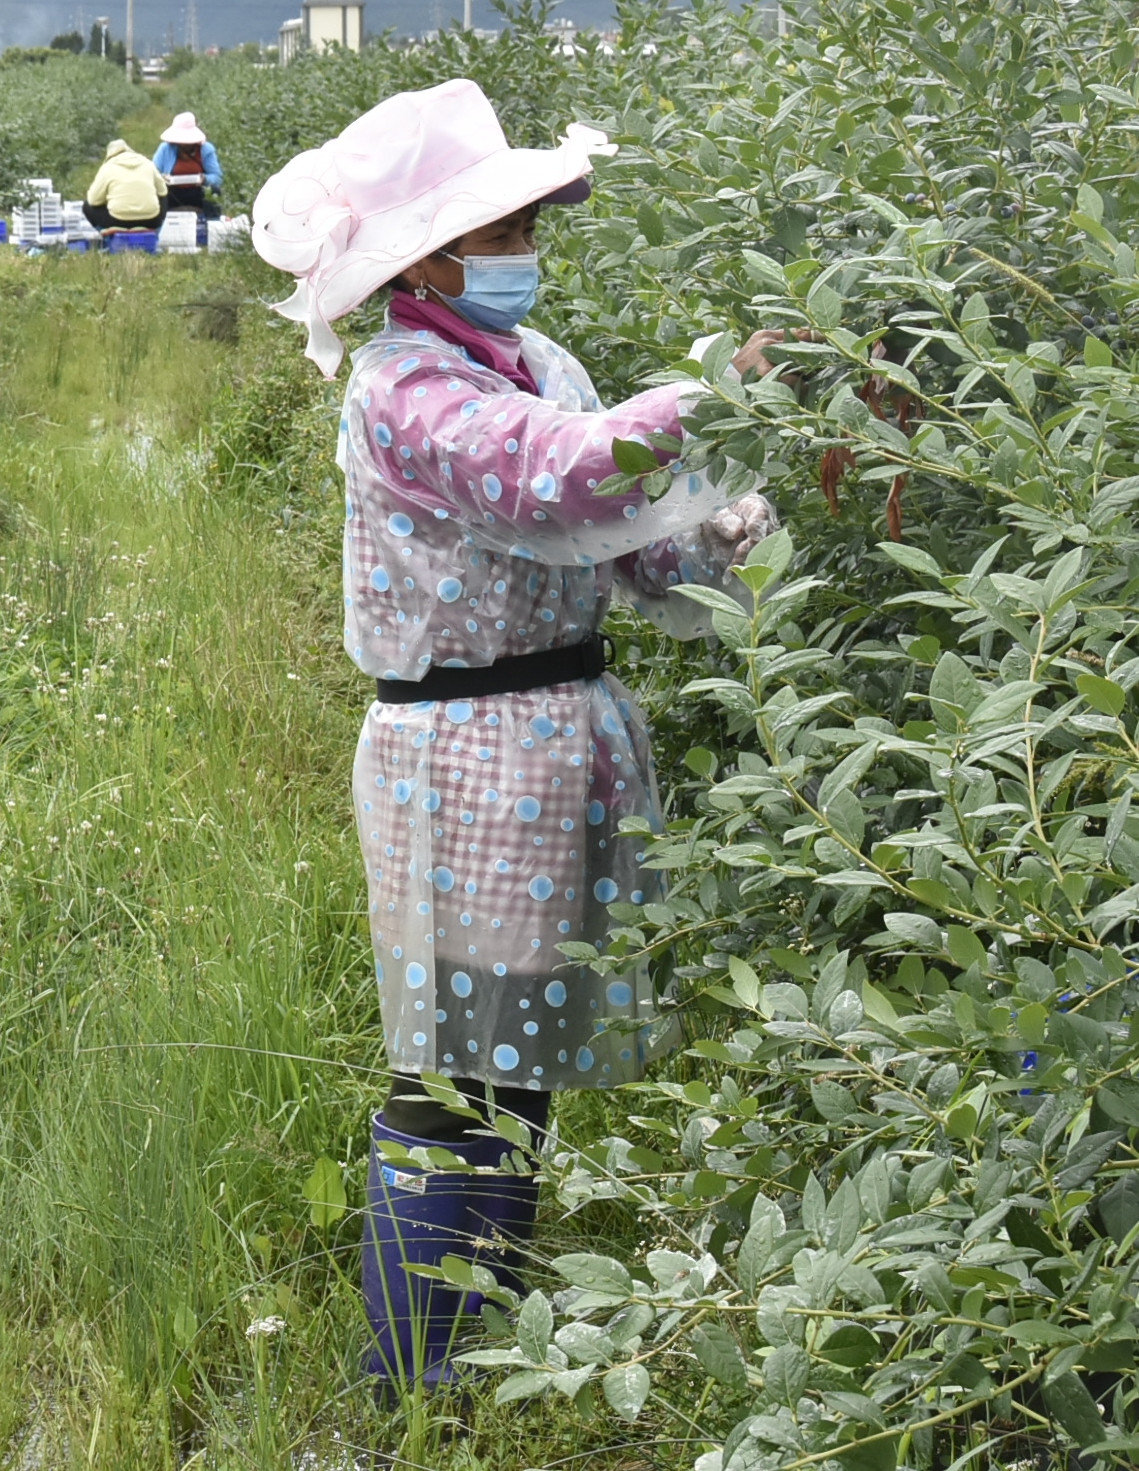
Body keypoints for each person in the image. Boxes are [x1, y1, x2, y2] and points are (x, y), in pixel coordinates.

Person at [251, 78, 780, 1388]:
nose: (527, 258)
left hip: (560, 740)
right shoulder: (402, 390)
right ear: (427, 257)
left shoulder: (542, 369)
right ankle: (419, 1383)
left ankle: (491, 1355)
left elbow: (624, 547)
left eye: (532, 231)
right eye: (509, 234)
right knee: (451, 1073)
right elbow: (557, 474)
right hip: (462, 762)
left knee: (516, 1061)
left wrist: (713, 533)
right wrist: (715, 398)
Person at [153, 112, 223, 231]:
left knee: (214, 191)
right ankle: (160, 229)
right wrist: (162, 178)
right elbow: (152, 174)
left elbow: (217, 177)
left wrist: (205, 179)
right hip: (172, 193)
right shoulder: (165, 149)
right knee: (158, 195)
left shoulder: (206, 150)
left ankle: (213, 229)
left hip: (197, 192)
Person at [81, 136, 165, 233]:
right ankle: (156, 231)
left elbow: (93, 200)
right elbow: (163, 191)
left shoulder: (108, 167)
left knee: (87, 206)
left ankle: (107, 234)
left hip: (118, 221)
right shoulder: (147, 162)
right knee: (163, 197)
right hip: (151, 220)